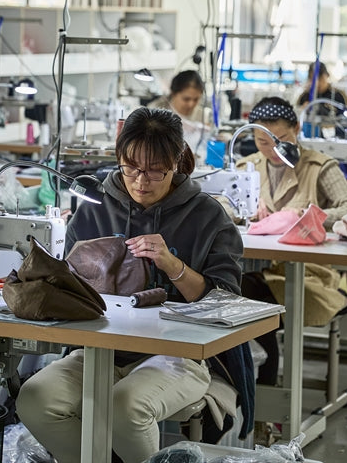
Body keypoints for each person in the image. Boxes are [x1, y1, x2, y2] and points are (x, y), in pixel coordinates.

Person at [16, 107, 248, 463]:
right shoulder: (95, 208)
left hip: (179, 355)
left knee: (125, 407)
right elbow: (68, 284)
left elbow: (226, 302)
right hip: (100, 351)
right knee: (35, 399)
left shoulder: (206, 216)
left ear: (176, 162)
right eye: (131, 167)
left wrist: (174, 266)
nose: (141, 181)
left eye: (156, 170)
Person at [237, 97, 347, 385]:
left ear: (297, 129)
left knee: (253, 306)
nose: (272, 149)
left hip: (311, 276)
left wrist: (306, 216)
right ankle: (255, 390)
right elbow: (220, 206)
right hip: (260, 271)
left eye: (280, 140)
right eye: (262, 141)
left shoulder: (318, 167)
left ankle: (265, 391)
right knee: (235, 294)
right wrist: (242, 209)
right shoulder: (247, 167)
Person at [147, 69, 210, 153]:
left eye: (196, 99)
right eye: (186, 99)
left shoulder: (202, 116)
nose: (191, 104)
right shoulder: (154, 110)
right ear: (173, 93)